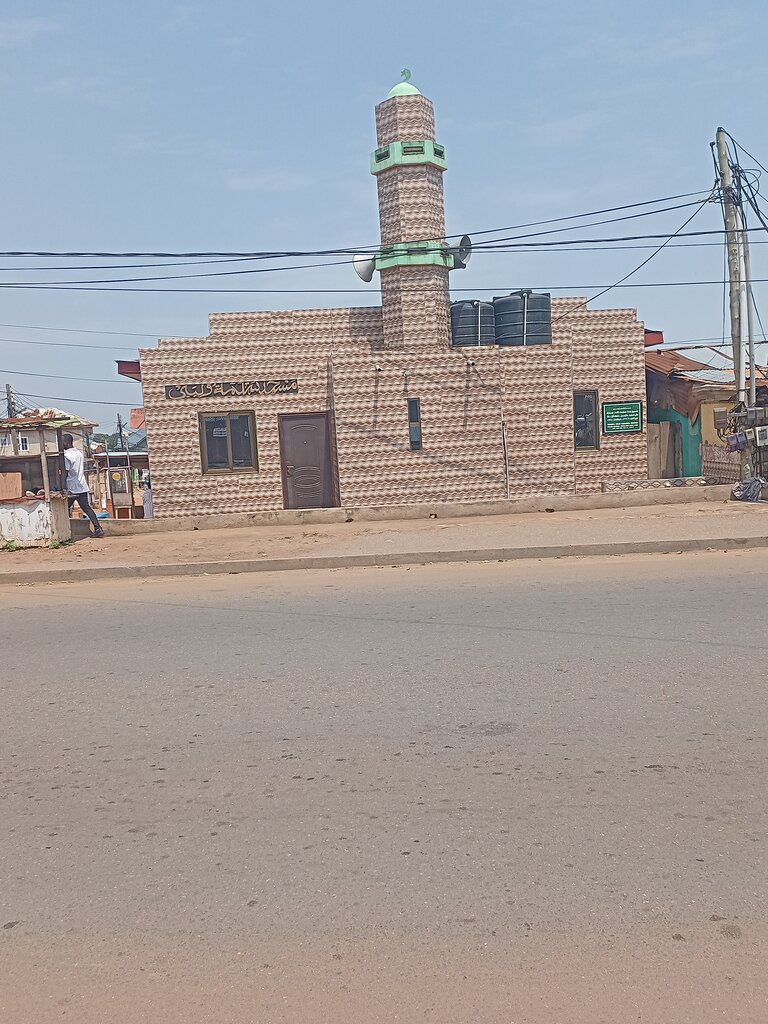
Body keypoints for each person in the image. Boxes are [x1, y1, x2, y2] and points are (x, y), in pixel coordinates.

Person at [62, 433, 104, 538]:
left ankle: (65, 531)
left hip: (71, 487)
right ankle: (98, 528)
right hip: (81, 486)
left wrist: (62, 486)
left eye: (62, 442)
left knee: (64, 509)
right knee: (87, 508)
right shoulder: (79, 453)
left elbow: (66, 472)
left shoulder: (67, 456)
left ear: (67, 443)